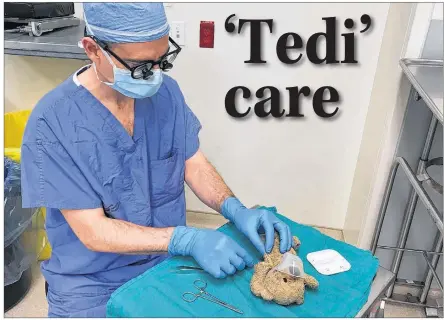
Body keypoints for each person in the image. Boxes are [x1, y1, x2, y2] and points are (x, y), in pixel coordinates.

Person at [21, 3, 292, 317]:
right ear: (93, 50)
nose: (156, 76)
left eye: (163, 60)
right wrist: (185, 239)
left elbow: (193, 163)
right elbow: (93, 230)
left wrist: (236, 208)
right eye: (141, 67)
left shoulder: (167, 95)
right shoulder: (53, 123)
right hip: (91, 281)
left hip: (166, 263)